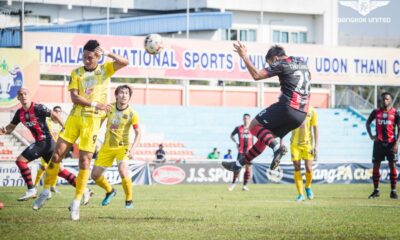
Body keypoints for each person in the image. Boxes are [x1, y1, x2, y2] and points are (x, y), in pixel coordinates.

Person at [33, 39, 129, 220]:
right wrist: (96, 104)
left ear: (97, 56)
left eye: (89, 57)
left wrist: (107, 53)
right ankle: (45, 191)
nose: (86, 60)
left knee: (84, 162)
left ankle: (76, 202)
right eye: (84, 57)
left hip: (92, 122)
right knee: (55, 156)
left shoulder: (105, 69)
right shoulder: (76, 72)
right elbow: (74, 98)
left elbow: (125, 62)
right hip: (75, 118)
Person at [222, 43, 311, 174]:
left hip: (287, 107)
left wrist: (244, 56)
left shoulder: (281, 63)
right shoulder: (302, 62)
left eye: (270, 64)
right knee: (264, 137)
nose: (271, 67)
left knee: (253, 126)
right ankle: (238, 164)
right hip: (301, 114)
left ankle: (276, 148)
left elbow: (257, 75)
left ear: (275, 58)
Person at [0, 88, 76, 201]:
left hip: (45, 141)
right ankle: (83, 188)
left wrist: (65, 127)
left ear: (29, 95)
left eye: (25, 93)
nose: (23, 96)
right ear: (18, 98)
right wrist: (5, 131)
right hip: (46, 144)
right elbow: (11, 127)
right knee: (59, 171)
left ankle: (31, 189)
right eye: (21, 94)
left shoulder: (38, 107)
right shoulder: (19, 113)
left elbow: (55, 115)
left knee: (20, 161)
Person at [91, 85, 141, 209]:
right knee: (95, 176)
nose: (124, 95)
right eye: (121, 93)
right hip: (106, 147)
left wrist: (132, 149)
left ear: (129, 97)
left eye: (127, 93)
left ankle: (129, 201)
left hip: (123, 147)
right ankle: (110, 191)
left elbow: (138, 133)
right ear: (116, 95)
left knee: (123, 171)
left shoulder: (132, 113)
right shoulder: (109, 108)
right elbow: (98, 125)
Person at [366, 92, 400, 199]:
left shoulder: (396, 113)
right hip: (378, 143)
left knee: (392, 166)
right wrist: (371, 136)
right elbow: (367, 123)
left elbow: (399, 129)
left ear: (390, 100)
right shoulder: (376, 112)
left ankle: (393, 191)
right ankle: (376, 191)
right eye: (383, 99)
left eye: (387, 99)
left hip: (391, 144)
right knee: (376, 167)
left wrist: (397, 143)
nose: (384, 101)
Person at [289, 106, 318, 202]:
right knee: (297, 167)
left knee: (309, 168)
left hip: (307, 144)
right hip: (295, 144)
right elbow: (286, 125)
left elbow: (315, 128)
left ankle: (308, 187)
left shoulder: (312, 111)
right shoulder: (293, 109)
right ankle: (300, 194)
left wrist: (316, 146)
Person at [33, 106, 64, 193]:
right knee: (43, 167)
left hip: (56, 148)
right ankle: (34, 186)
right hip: (46, 147)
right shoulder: (47, 121)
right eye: (56, 111)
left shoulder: (61, 124)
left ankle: (53, 186)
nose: (57, 113)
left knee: (56, 167)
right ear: (53, 111)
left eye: (59, 111)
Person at [229, 113, 253, 191]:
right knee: (237, 168)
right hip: (241, 151)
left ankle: (245, 185)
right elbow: (231, 135)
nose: (246, 119)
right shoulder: (239, 128)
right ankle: (233, 183)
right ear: (243, 119)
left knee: (248, 168)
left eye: (247, 118)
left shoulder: (253, 128)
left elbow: (259, 136)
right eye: (245, 118)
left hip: (250, 152)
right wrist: (236, 142)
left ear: (249, 119)